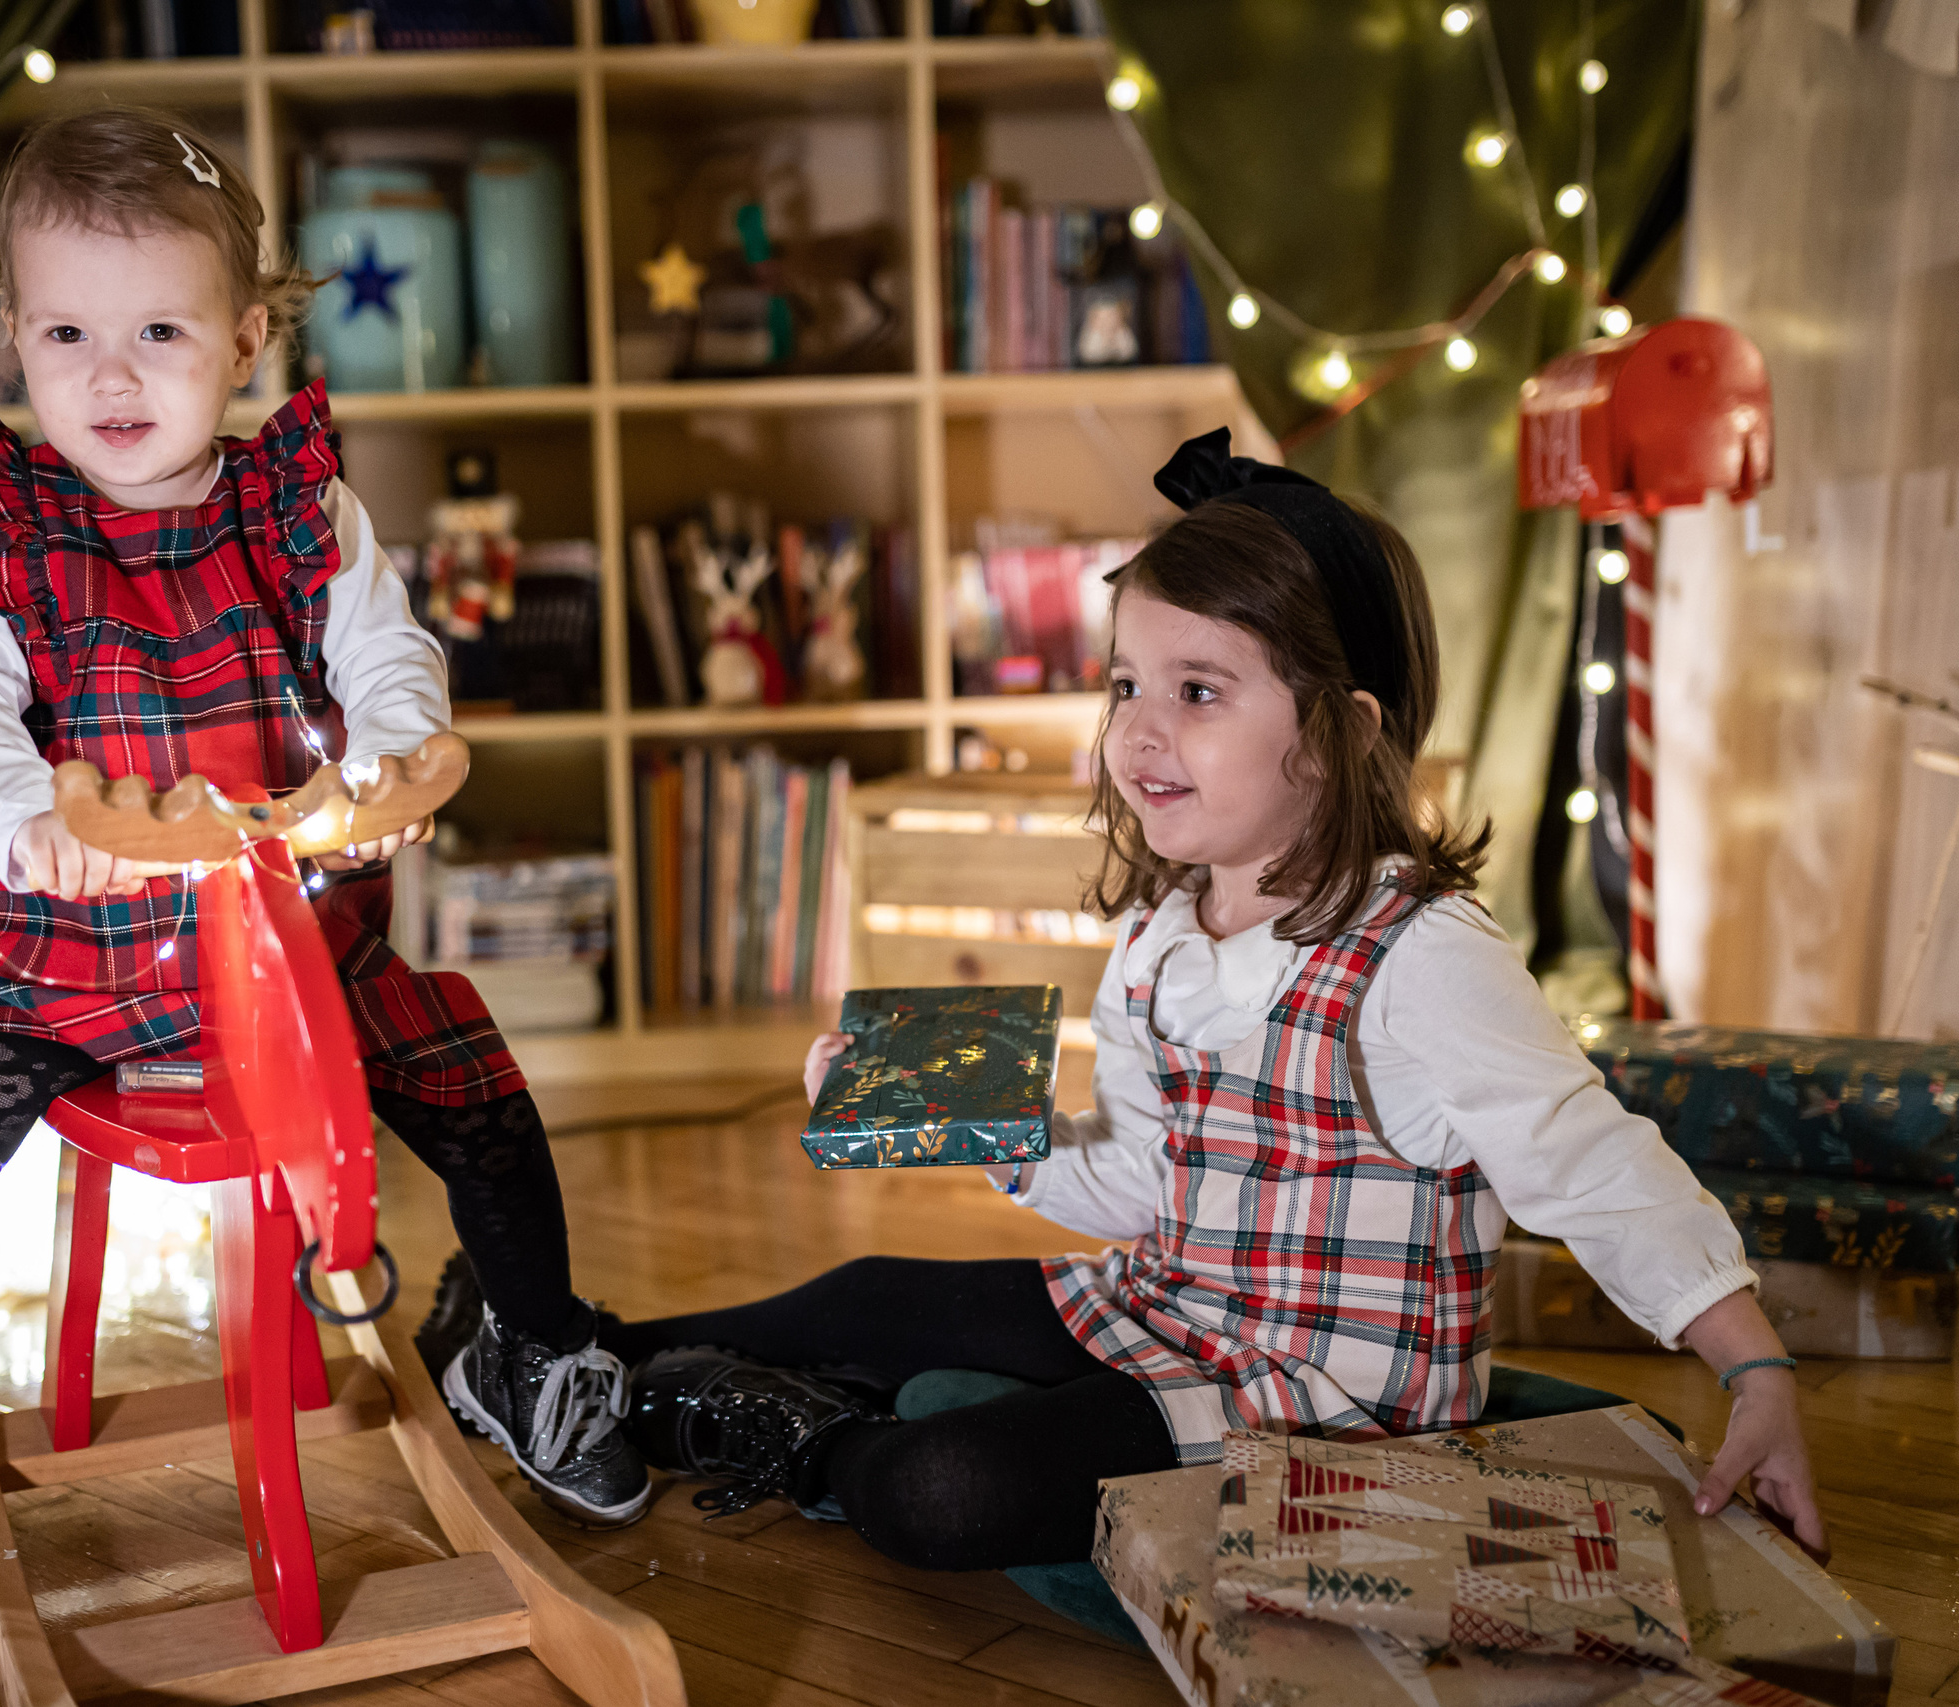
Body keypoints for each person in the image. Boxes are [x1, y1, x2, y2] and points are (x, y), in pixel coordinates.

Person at [0, 107, 643, 1637]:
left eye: (159, 331)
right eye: (66, 331)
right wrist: (29, 819)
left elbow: (386, 651)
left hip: (293, 942)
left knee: (484, 1099)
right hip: (64, 961)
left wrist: (393, 758)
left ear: (245, 337)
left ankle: (529, 1344)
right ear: (14, 333)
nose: (110, 375)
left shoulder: (295, 505)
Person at [594, 429, 1828, 1576]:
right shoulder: (1161, 933)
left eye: (1198, 692)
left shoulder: (1421, 957)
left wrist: (1754, 1368)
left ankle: (806, 1437)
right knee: (873, 1293)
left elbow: (1593, 1168)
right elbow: (1145, 1183)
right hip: (1164, 1306)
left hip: (1322, 1403)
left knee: (946, 1486)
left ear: (1338, 732)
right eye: (1126, 683)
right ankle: (590, 1349)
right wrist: (973, 1127)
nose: (1138, 731)